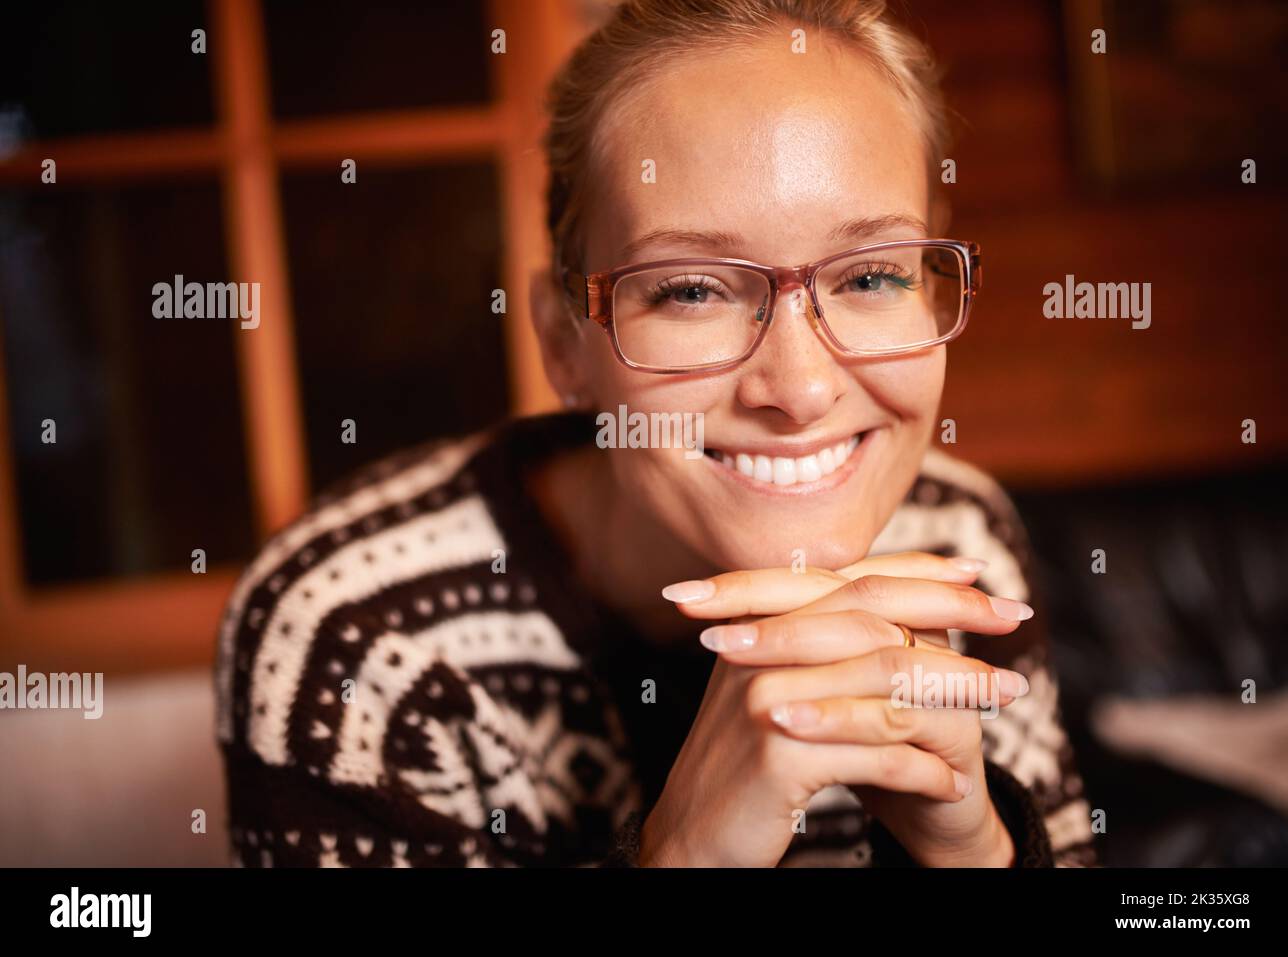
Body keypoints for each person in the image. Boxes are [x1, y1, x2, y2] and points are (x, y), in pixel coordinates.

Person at [215, 0, 1097, 867]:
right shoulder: (350, 641)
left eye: (870, 274)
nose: (798, 388)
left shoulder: (959, 535)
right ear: (564, 343)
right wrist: (683, 854)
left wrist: (975, 854)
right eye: (691, 291)